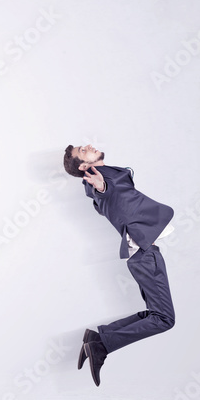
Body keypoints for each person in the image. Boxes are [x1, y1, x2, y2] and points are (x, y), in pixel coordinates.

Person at [62, 144, 176, 386]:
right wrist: (100, 186)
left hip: (143, 254)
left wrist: (102, 185)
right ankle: (102, 345)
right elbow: (103, 192)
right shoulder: (97, 182)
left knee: (155, 313)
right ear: (84, 167)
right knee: (164, 319)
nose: (88, 146)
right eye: (83, 151)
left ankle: (97, 337)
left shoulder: (107, 173)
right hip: (144, 254)